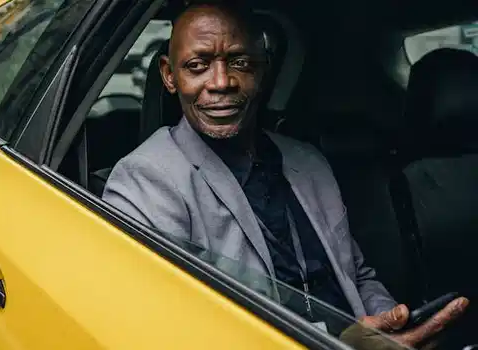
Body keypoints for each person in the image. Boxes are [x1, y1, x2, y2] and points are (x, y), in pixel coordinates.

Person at [101, 0, 469, 347]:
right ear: (169, 76)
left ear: (262, 68)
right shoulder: (143, 182)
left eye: (239, 62)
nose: (220, 82)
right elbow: (174, 330)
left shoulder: (308, 161)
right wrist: (334, 342)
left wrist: (393, 326)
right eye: (197, 66)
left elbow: (355, 274)